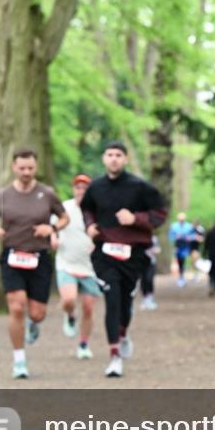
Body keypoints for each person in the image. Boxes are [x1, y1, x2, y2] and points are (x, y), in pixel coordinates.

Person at [0, 149, 68, 379]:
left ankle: (33, 323)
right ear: (14, 168)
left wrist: (53, 228)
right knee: (16, 306)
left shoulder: (47, 194)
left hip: (39, 258)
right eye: (22, 168)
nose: (26, 172)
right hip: (12, 256)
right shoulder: (3, 195)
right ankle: (19, 360)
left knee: (37, 313)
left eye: (30, 168)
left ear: (36, 168)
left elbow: (65, 217)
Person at [80, 141, 168, 378]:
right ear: (103, 158)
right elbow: (86, 209)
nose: (114, 159)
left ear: (125, 159)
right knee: (112, 298)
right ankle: (114, 356)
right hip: (104, 253)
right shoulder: (95, 187)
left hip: (133, 253)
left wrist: (136, 218)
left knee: (125, 302)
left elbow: (160, 214)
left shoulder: (140, 187)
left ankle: (123, 333)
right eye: (110, 154)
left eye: (119, 155)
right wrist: (89, 226)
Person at [55, 173, 101, 360]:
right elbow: (53, 226)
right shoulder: (64, 208)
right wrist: (53, 238)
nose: (81, 191)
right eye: (78, 187)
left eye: (85, 188)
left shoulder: (97, 210)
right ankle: (70, 315)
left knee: (89, 308)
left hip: (90, 267)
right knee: (69, 300)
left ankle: (83, 344)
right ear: (73, 189)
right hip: (66, 263)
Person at [168, 212, 193, 287]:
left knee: (183, 260)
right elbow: (171, 236)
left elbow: (192, 236)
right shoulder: (174, 226)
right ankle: (181, 276)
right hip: (178, 245)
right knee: (179, 261)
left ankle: (182, 276)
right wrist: (176, 237)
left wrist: (188, 238)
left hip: (185, 246)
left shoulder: (189, 226)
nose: (181, 220)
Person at [140, 235, 159, 310]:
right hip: (141, 263)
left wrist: (153, 251)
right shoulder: (139, 237)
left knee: (149, 279)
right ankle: (145, 298)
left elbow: (158, 249)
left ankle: (150, 298)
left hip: (151, 263)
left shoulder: (154, 238)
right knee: (143, 280)